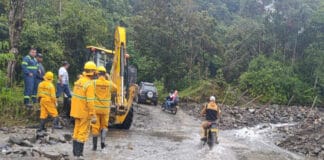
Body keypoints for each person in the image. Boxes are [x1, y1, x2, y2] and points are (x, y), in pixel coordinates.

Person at [70, 61, 97, 159]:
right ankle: (79, 154)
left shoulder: (79, 81)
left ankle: (75, 152)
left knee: (76, 130)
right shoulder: (89, 84)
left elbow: (75, 97)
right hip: (84, 112)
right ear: (93, 72)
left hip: (76, 111)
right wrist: (93, 114)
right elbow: (90, 101)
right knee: (82, 132)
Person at [91, 66, 117, 152]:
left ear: (97, 74)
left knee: (95, 127)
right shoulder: (109, 84)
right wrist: (109, 79)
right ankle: (102, 145)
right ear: (105, 74)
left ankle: (94, 147)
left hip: (96, 109)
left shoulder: (94, 83)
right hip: (105, 110)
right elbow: (116, 88)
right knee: (104, 126)